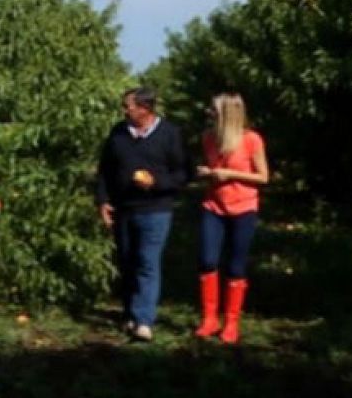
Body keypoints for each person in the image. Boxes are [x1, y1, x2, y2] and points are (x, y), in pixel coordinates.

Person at [95, 87, 189, 341]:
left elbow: (182, 174)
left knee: (147, 262)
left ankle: (144, 320)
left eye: (129, 106)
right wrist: (103, 200)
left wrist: (156, 183)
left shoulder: (169, 134)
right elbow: (105, 170)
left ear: (145, 109)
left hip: (156, 209)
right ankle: (129, 313)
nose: (124, 111)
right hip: (124, 209)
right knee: (127, 262)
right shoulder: (118, 133)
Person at [193, 93, 269, 344]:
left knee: (236, 266)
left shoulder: (251, 139)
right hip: (213, 205)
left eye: (214, 110)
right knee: (207, 260)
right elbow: (213, 170)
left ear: (227, 114)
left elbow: (263, 177)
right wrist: (208, 173)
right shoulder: (208, 138)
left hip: (243, 207)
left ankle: (231, 322)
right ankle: (209, 318)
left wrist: (230, 174)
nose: (209, 113)